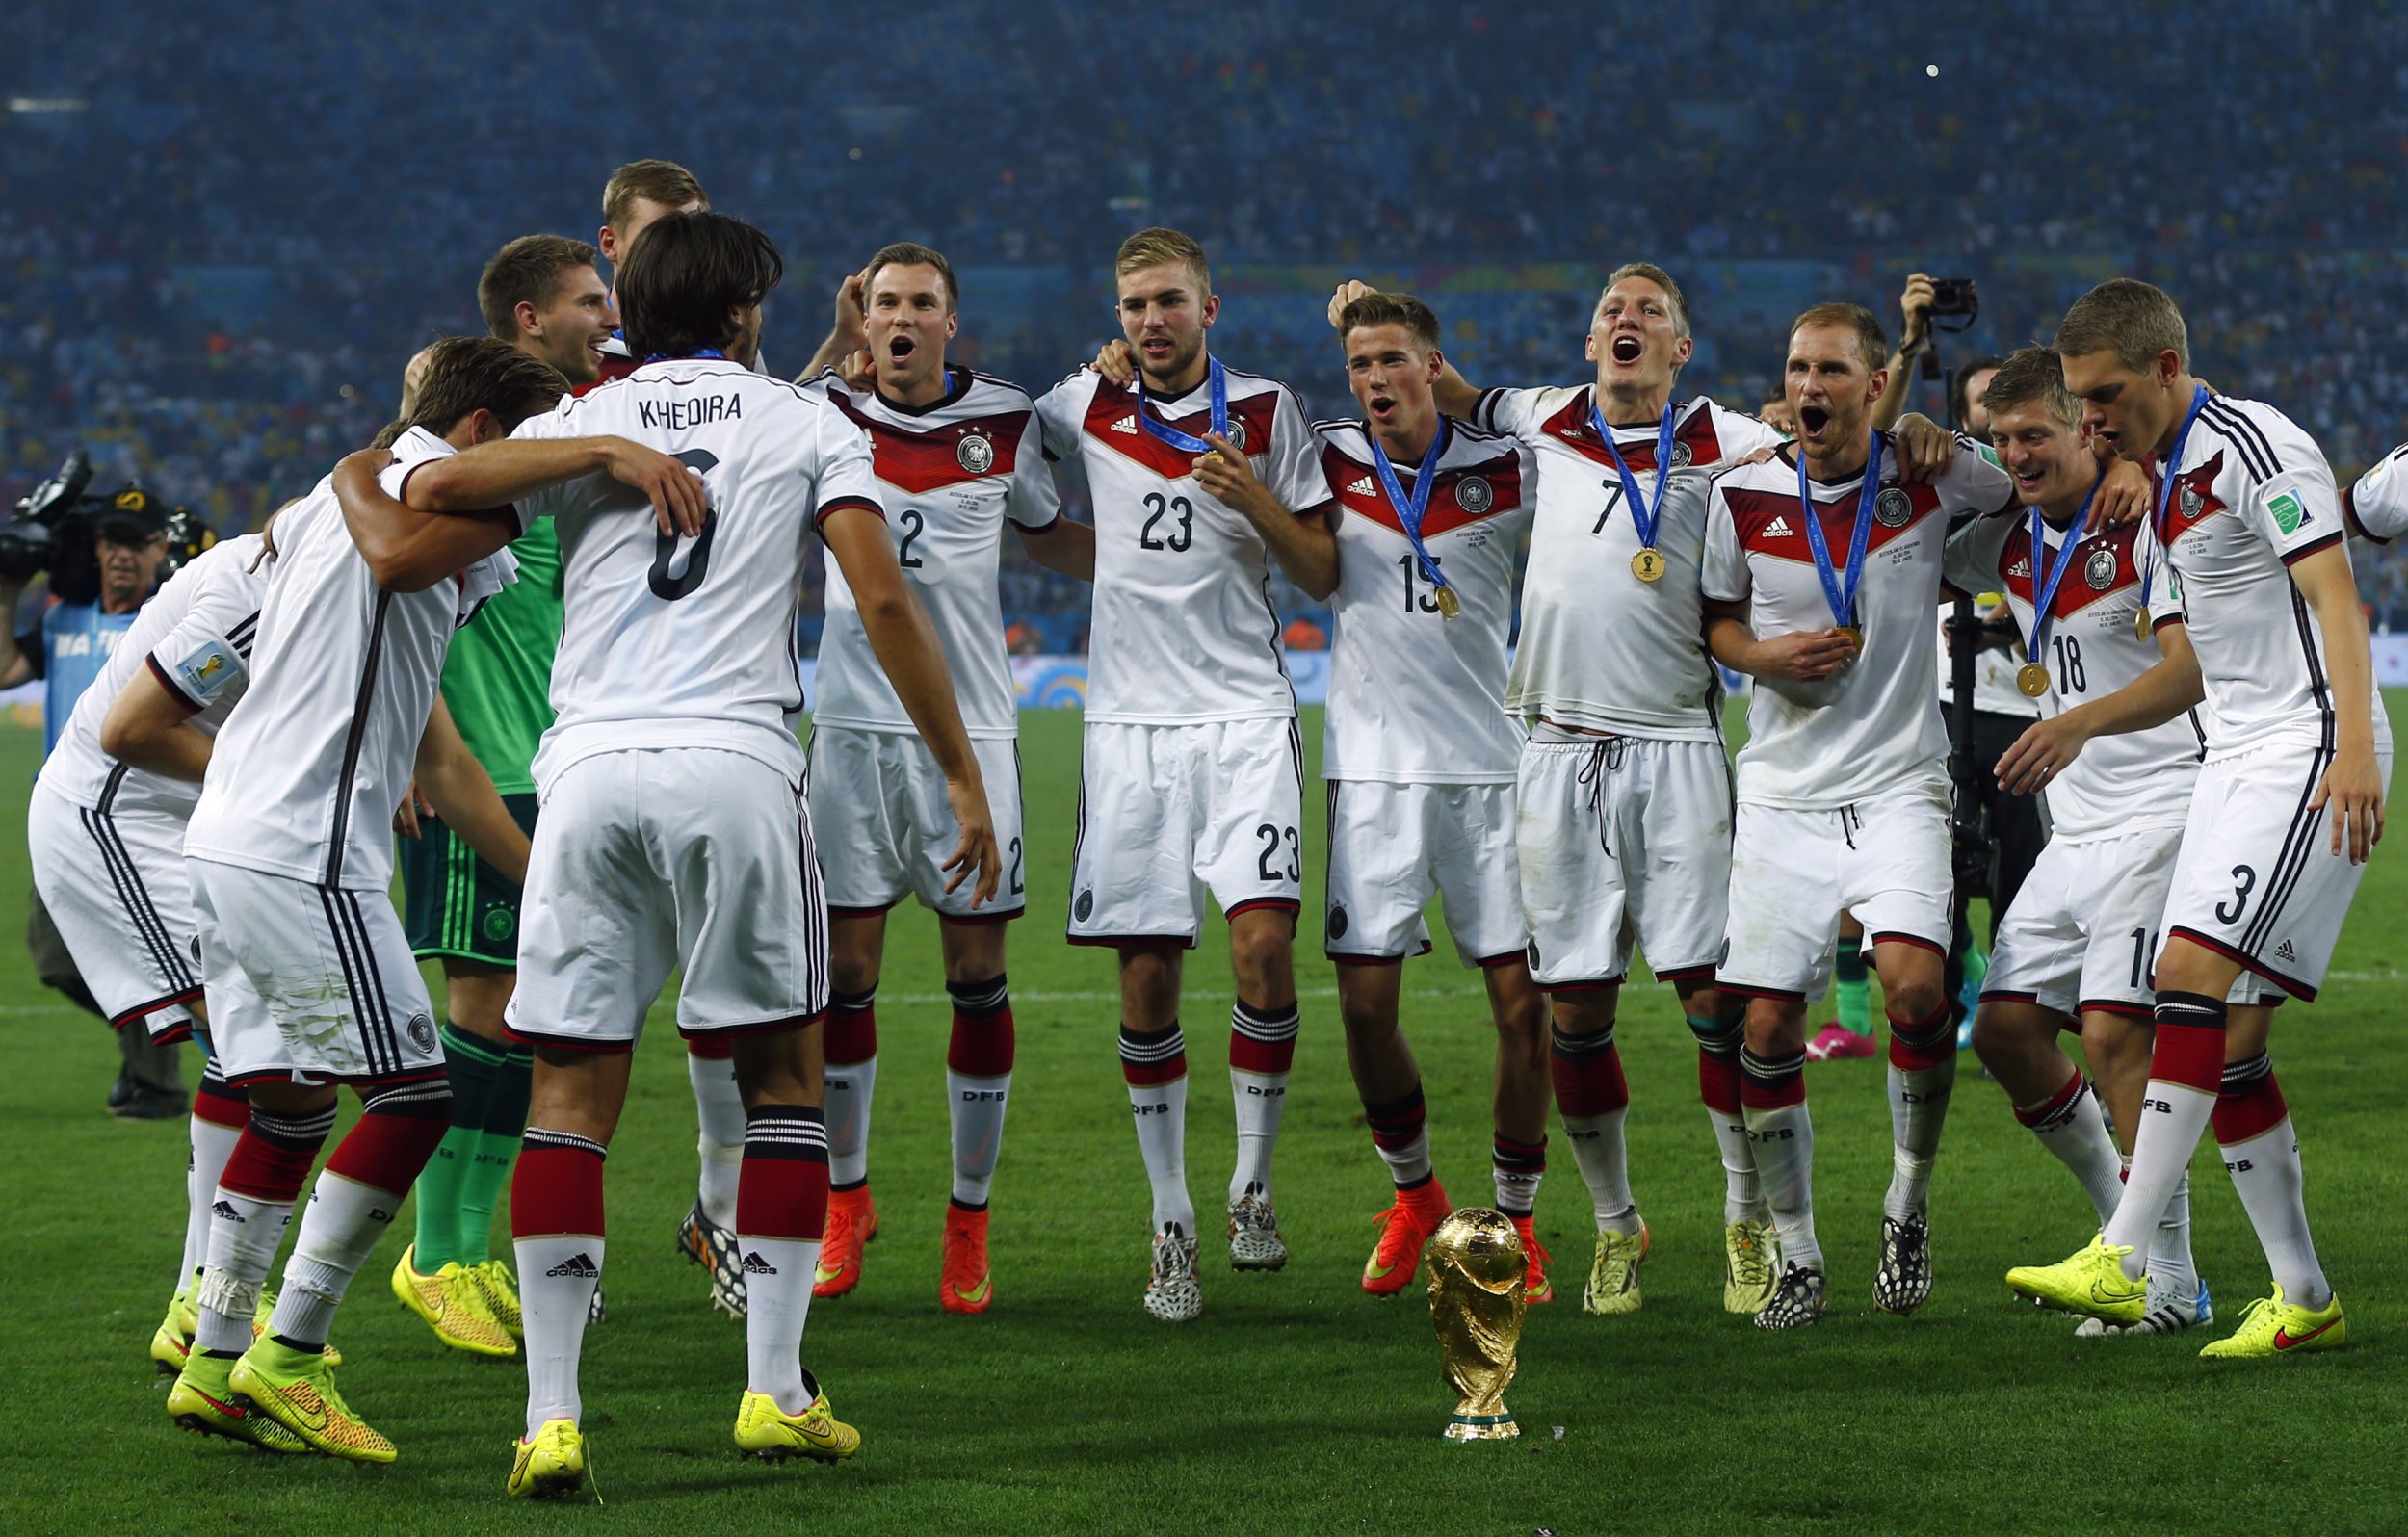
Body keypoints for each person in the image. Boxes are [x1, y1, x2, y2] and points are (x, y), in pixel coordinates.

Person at [388, 210, 997, 1493]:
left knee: (568, 1097)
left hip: (591, 772)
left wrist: (603, 441)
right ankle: (773, 1391)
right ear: (739, 316)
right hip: (735, 765)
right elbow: (878, 598)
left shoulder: (574, 428)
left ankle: (549, 1418)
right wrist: (957, 766)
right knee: (783, 1077)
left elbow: (427, 488)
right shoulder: (804, 421)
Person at [1326, 265, 1802, 1317]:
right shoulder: (1539, 418)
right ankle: (1614, 1227)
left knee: (1709, 1004)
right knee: (1573, 1009)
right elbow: (1428, 375)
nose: (1624, 322)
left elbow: (1830, 451)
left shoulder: (1726, 440)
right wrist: (1364, 314)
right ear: (1589, 341)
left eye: (1649, 315)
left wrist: (1911, 431)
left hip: (1676, 743)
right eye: (1609, 313)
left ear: (1681, 347)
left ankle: (1743, 1220)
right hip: (1552, 749)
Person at [161, 337, 563, 1460]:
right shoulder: (442, 524)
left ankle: (212, 1357)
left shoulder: (320, 510)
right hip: (306, 850)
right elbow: (405, 547)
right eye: (530, 447)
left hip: (229, 840)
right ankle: (288, 1360)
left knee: (288, 1102)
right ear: (483, 435)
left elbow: (436, 753)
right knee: (410, 1099)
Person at [2007, 279, 2389, 1360]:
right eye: (2079, 401)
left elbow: (2334, 598)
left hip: (2303, 748)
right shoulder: (2161, 477)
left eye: (2105, 396)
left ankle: (2124, 1252)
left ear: (2166, 370)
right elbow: (2194, 665)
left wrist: (2352, 743)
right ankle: (2303, 1294)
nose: (2090, 420)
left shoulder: (2251, 445)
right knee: (2231, 1050)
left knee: (2185, 976)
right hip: (2233, 756)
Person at [1702, 301, 2015, 1329]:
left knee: (1917, 993)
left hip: (1897, 785)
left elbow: (2023, 486)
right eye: (1796, 367)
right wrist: (1763, 659)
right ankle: (1797, 1255)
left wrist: (1948, 439)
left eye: (1831, 369)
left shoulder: (1923, 478)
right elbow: (1717, 623)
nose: (1808, 387)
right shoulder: (1742, 491)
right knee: (1762, 1021)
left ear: (1874, 385)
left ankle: (1905, 1207)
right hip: (1783, 795)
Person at [794, 241, 1093, 1312]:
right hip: (852, 735)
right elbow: (743, 453)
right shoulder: (819, 415)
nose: (904, 317)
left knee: (976, 976)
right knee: (848, 976)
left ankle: (968, 1221)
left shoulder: (1006, 423)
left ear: (951, 322)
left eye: (923, 302)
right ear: (862, 317)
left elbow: (1052, 539)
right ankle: (846, 1199)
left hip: (973, 739)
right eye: (885, 304)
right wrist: (829, 347)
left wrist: (1173, 564)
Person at [1041, 228, 1328, 1321]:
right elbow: (1023, 511)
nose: (1150, 321)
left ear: (1211, 310)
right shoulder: (1078, 407)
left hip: (1245, 713)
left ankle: (1252, 1184)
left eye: (1168, 302)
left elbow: (1319, 568)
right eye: (1131, 307)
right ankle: (1172, 1222)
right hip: (1125, 727)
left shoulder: (1267, 413)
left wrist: (1252, 496)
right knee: (1148, 976)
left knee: (1262, 946)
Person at [388, 234, 623, 1358]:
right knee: (482, 1013)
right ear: (527, 318)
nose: (606, 315)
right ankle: (437, 1255)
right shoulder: (477, 435)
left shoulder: (556, 434)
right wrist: (398, 745)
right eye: (588, 301)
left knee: (528, 1019)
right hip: (477, 769)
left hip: (554, 759)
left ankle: (468, 1251)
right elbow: (388, 570)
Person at [1949, 348, 2212, 1336]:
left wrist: (2076, 723)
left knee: (2111, 1032)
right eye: (2001, 439)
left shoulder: (2143, 521)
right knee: (2010, 1032)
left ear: (2084, 431)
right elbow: (1899, 523)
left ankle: (2170, 1277)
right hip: (2080, 829)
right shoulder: (2004, 541)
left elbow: (2187, 675)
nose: (2016, 455)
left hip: (2166, 806)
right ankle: (2120, 1235)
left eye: (2036, 436)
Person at [1307, 292, 1551, 1304]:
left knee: (1522, 1007)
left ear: (1432, 367)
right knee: (1364, 1009)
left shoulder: (1506, 467)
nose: (1374, 379)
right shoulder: (1320, 457)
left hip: (1490, 770)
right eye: (1360, 362)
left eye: (1393, 360)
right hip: (1370, 775)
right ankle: (1414, 1195)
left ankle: (1515, 1224)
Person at [27, 523, 271, 1374]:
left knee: (260, 1054)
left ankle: (200, 1299)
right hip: (117, 818)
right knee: (268, 1063)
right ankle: (212, 1306)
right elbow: (128, 732)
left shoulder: (332, 572)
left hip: (190, 820)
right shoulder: (256, 593)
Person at [2, 492, 181, 1115]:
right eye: (111, 541)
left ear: (161, 549)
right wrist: (11, 580)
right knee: (55, 959)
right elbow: (5, 668)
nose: (121, 556)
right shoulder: (64, 620)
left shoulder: (169, 621)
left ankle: (157, 1082)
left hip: (138, 814)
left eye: (135, 543)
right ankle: (172, 1025)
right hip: (65, 818)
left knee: (140, 950)